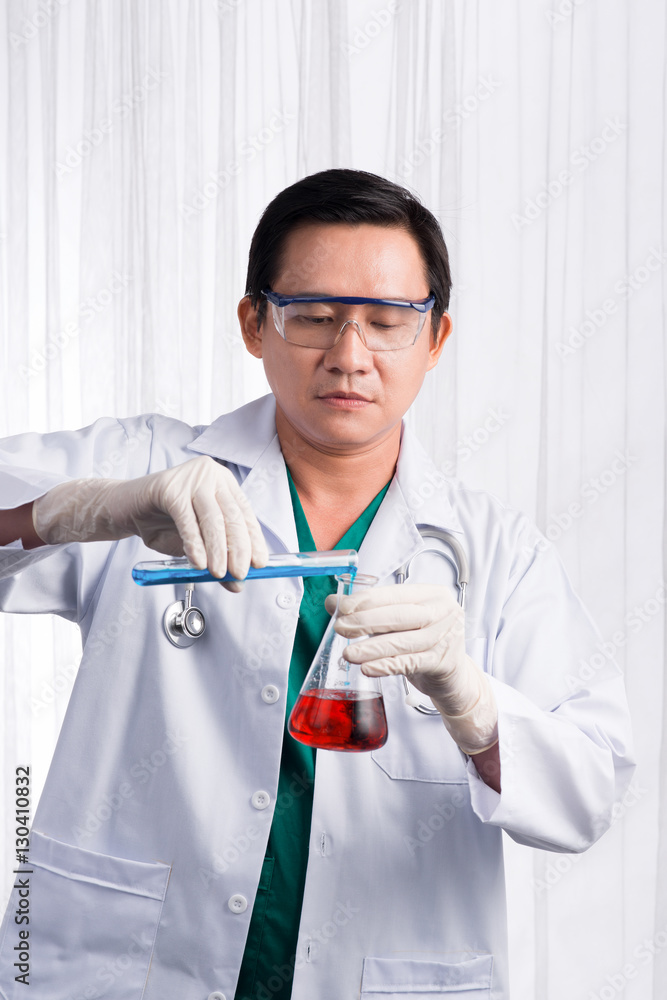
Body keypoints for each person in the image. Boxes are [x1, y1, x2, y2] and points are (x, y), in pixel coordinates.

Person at [0, 169, 633, 1000]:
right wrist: (71, 510)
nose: (349, 356)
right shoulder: (147, 468)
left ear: (434, 340)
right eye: (314, 316)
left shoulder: (498, 553)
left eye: (385, 321)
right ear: (254, 324)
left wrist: (473, 706)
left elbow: (586, 795)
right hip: (128, 967)